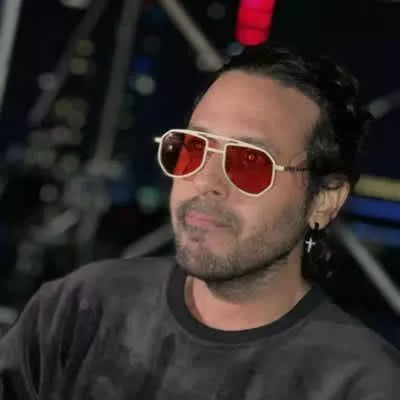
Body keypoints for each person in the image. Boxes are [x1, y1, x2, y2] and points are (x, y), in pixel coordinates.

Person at [1, 44, 399, 400]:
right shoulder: (83, 307)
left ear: (324, 201)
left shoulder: (361, 383)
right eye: (194, 147)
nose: (206, 182)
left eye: (249, 162)